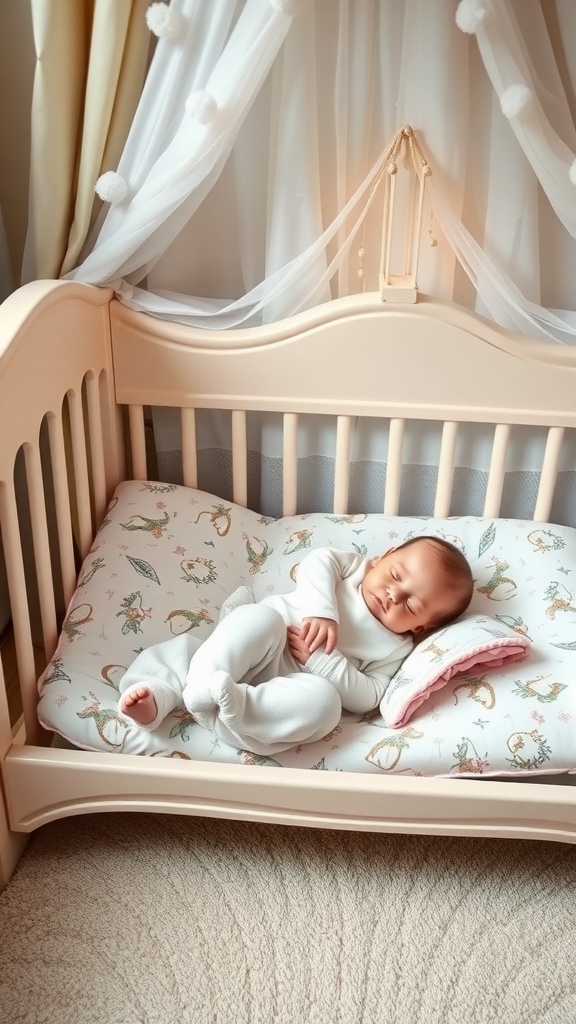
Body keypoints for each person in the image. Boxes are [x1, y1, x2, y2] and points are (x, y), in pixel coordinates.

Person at [118, 537, 473, 755]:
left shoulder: (396, 647)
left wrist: (325, 663)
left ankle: (237, 710)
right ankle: (168, 693)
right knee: (257, 619)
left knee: (325, 705)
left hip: (293, 687)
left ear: (422, 627)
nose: (395, 594)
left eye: (411, 605)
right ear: (384, 555)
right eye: (396, 576)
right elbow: (318, 561)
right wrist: (323, 612)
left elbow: (370, 696)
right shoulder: (354, 569)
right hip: (263, 642)